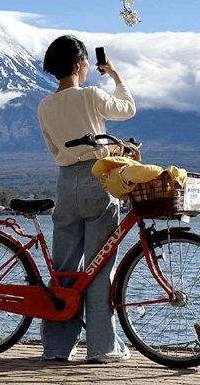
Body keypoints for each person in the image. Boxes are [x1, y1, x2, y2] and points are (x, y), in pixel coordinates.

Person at [37, 35, 136, 362]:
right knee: (99, 269)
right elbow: (127, 110)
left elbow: (54, 149)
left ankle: (55, 349)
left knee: (64, 271)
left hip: (66, 185)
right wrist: (116, 77)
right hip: (98, 183)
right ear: (80, 64)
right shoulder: (92, 95)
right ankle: (101, 349)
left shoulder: (45, 106)